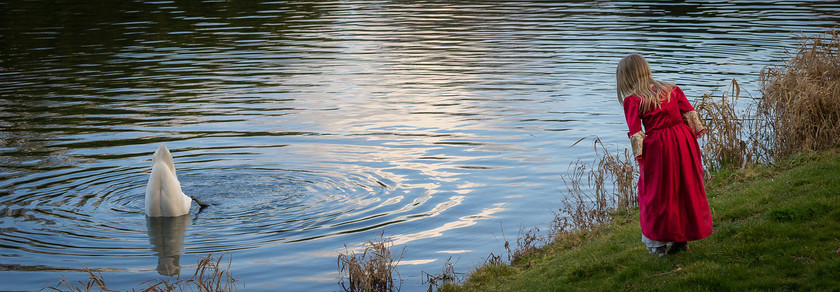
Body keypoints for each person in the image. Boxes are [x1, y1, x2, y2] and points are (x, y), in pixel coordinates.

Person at [616, 53, 713, 257]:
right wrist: (687, 141)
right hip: (684, 140)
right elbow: (691, 116)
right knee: (684, 187)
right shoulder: (672, 89)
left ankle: (659, 244)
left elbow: (636, 133)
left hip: (660, 146)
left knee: (656, 192)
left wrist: (641, 158)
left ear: (626, 77)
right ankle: (681, 239)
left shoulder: (633, 100)